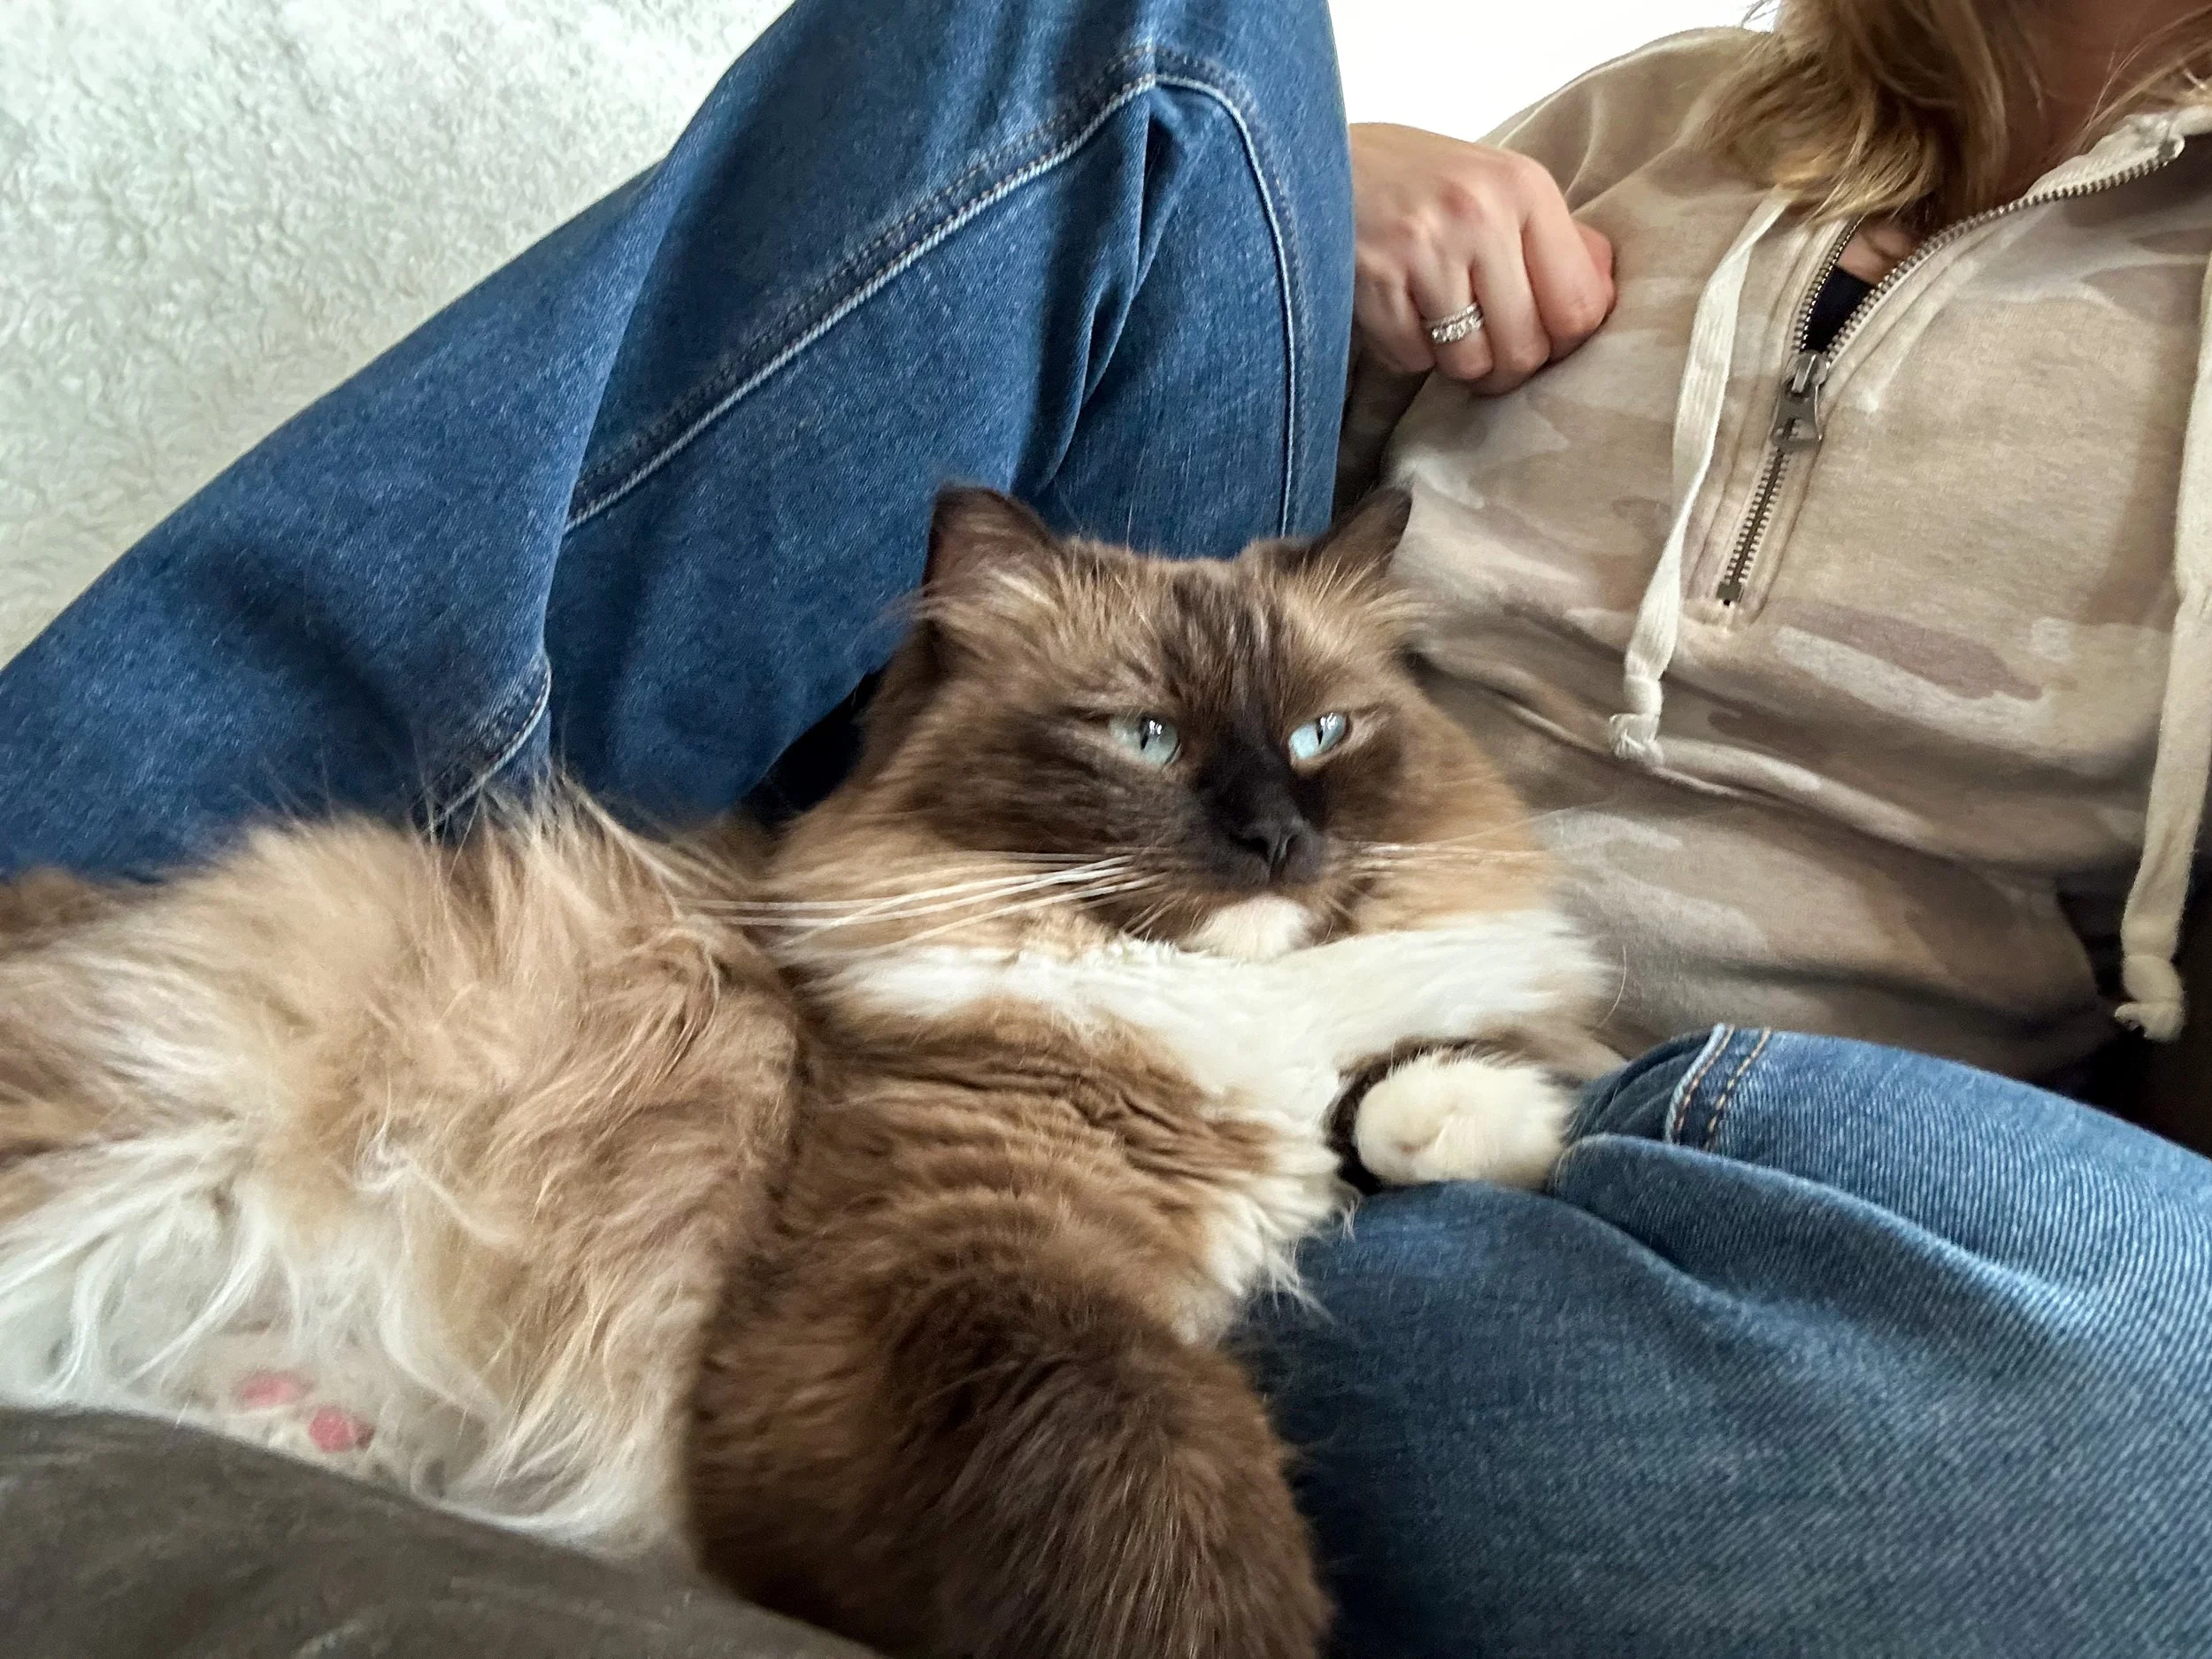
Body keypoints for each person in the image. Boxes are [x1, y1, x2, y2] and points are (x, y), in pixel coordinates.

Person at [1, 0, 2208, 1652]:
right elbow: (1196, 538)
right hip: (1086, 936)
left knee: (2166, 1408)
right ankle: (85, 923)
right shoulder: (1663, 124)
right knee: (1135, 26)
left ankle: (917, 1359)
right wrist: (1324, 181)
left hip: (1665, 1231)